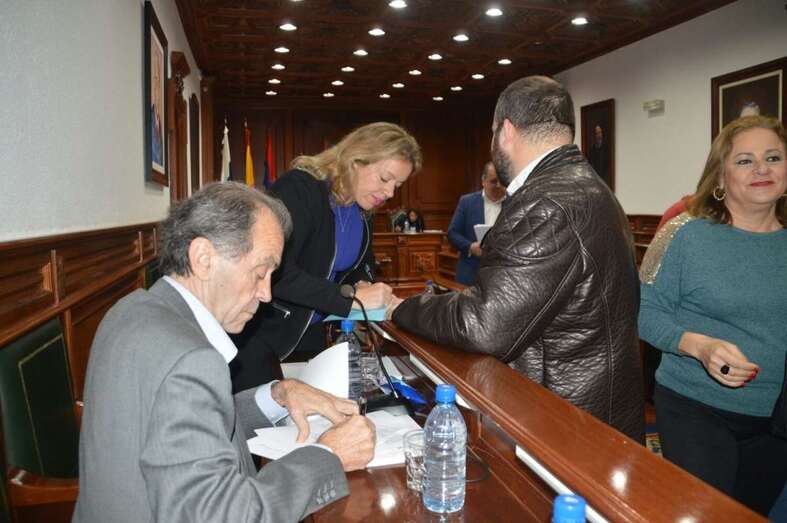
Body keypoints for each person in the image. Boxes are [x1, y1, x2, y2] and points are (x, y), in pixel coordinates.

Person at [74, 182, 376, 522]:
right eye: (260, 273)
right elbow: (221, 515)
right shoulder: (190, 360)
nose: (265, 294)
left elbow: (182, 427)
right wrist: (328, 455)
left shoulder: (132, 310)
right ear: (203, 258)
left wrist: (275, 396)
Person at [391, 76, 644, 442]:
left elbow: (484, 324)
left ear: (505, 130)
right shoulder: (588, 186)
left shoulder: (545, 202)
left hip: (564, 422)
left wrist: (402, 308)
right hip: (593, 411)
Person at [639, 115, 787, 515]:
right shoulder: (684, 233)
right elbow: (642, 308)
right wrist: (697, 345)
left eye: (773, 157)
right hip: (694, 407)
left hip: (775, 419)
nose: (762, 168)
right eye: (744, 160)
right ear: (719, 177)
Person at [232, 122, 422, 390]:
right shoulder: (299, 189)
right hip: (262, 334)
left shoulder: (362, 207)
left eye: (398, 185)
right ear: (355, 161)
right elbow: (275, 272)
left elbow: (360, 267)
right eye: (384, 178)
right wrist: (348, 300)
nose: (390, 192)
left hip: (311, 334)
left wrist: (363, 284)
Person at [447, 161, 506, 285]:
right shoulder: (467, 202)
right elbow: (452, 233)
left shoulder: (514, 202)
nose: (499, 185)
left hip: (503, 277)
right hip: (470, 273)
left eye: (502, 181)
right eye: (494, 181)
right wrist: (470, 247)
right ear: (483, 181)